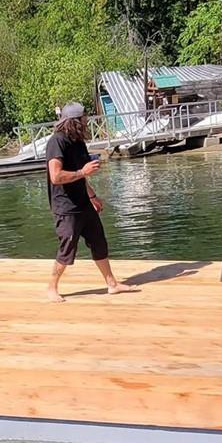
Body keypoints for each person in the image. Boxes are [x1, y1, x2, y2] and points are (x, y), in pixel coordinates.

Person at [44, 103, 135, 302]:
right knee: (68, 246)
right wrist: (82, 172)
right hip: (66, 207)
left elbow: (81, 176)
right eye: (84, 118)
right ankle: (52, 288)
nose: (87, 121)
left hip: (83, 202)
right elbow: (56, 176)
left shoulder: (78, 142)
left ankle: (112, 284)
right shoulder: (57, 142)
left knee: (98, 241)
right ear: (74, 121)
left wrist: (92, 196)